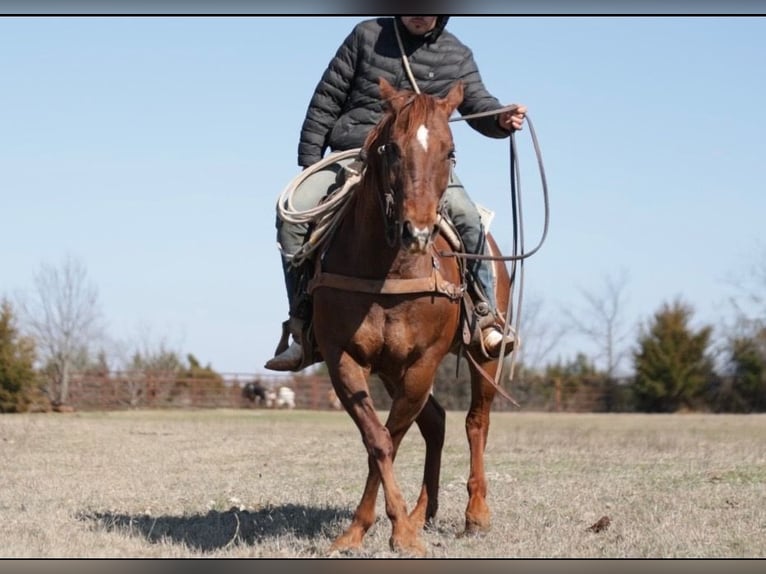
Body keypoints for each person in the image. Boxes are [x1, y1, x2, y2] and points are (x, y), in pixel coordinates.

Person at [265, 16, 527, 371]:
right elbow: (327, 97)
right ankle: (302, 325)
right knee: (292, 214)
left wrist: (500, 120)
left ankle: (484, 316)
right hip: (355, 154)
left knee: (467, 218)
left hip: (422, 164)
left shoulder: (457, 53)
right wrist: (310, 162)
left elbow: (477, 102)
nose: (418, 15)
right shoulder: (366, 36)